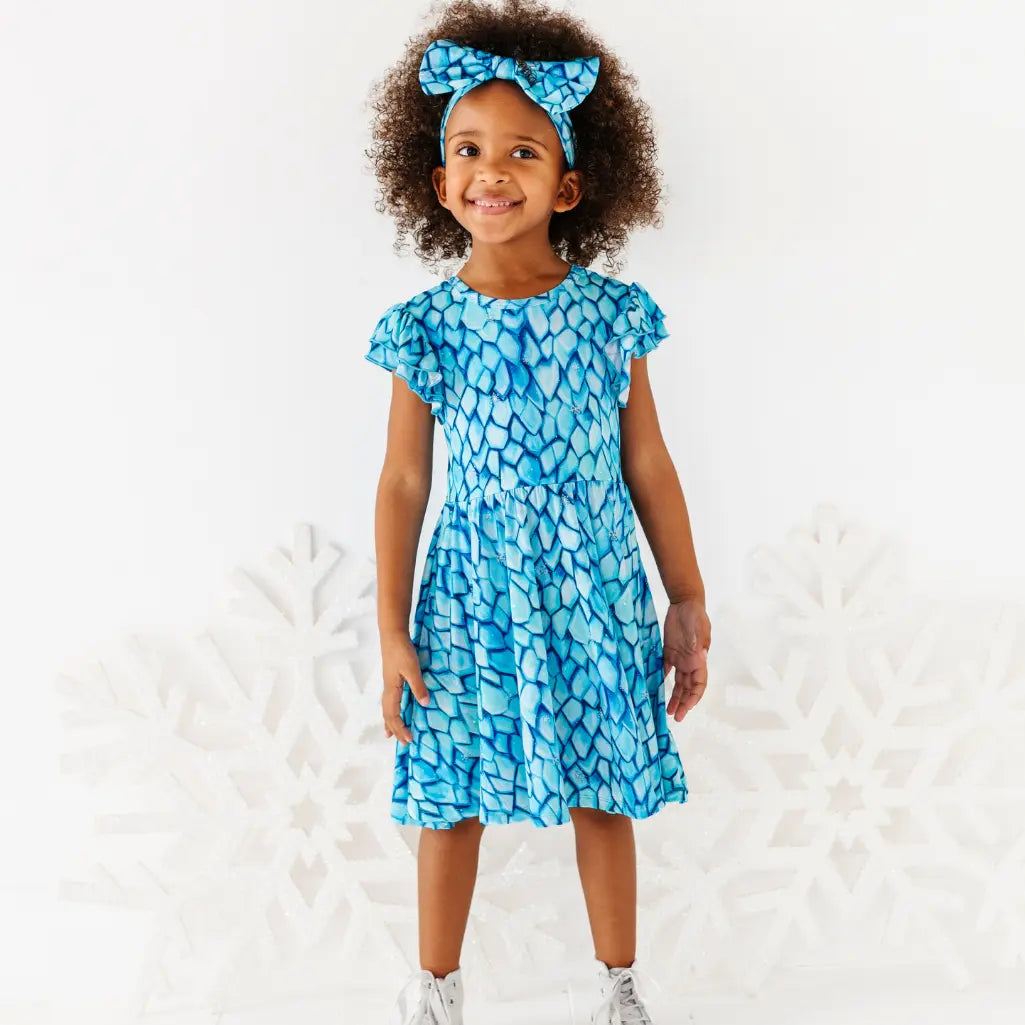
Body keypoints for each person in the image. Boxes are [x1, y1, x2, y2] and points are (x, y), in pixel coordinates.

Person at [363, 2, 710, 1022]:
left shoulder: (610, 317)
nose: (491, 169)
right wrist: (389, 626)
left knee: (603, 787)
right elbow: (401, 482)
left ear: (567, 182)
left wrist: (682, 596)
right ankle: (434, 991)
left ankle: (620, 988)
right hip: (469, 597)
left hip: (593, 588)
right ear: (436, 182)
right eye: (467, 148)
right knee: (451, 792)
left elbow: (645, 460)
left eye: (521, 149)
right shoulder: (423, 329)